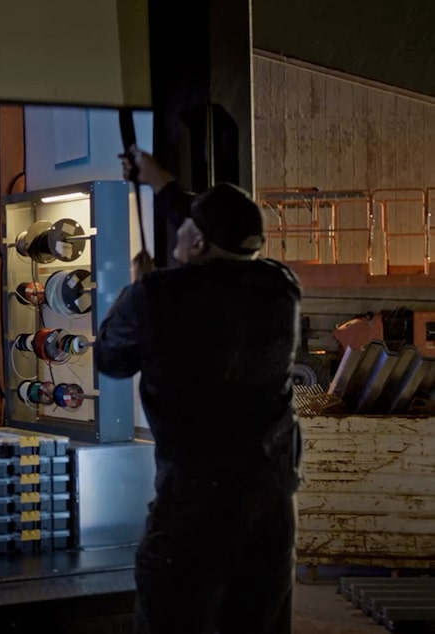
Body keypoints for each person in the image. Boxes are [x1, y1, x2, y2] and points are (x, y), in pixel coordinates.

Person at [95, 147, 304, 634]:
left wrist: (135, 292)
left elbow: (112, 359)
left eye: (188, 225)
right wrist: (158, 179)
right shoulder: (280, 288)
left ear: (196, 242)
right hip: (270, 505)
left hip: (194, 510)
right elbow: (219, 241)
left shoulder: (157, 296)